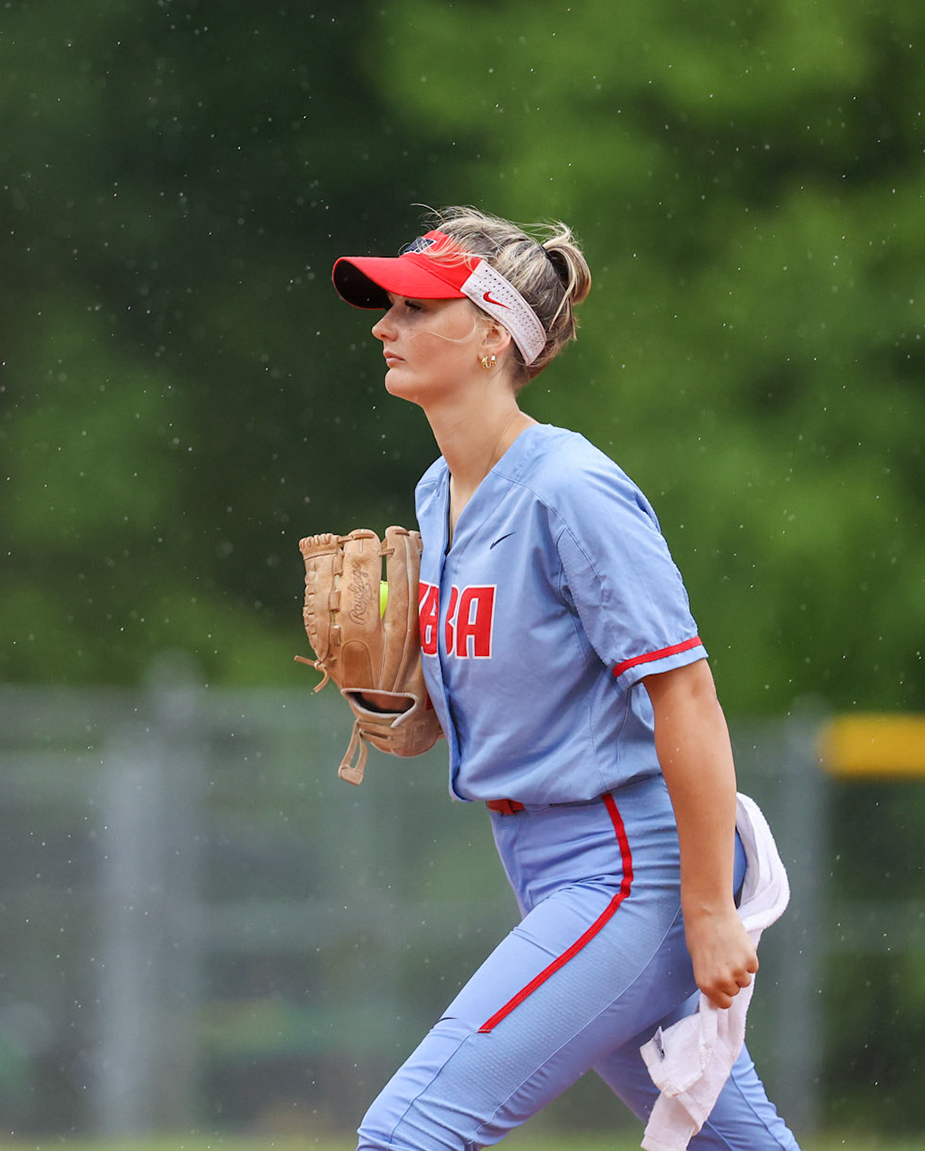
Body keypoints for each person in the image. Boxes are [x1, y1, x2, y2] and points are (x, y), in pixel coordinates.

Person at [328, 207, 801, 1151]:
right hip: (548, 869)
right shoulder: (438, 491)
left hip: (632, 870)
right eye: (388, 305)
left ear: (494, 333)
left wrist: (706, 908)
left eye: (418, 307)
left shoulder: (570, 489)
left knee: (405, 1135)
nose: (386, 324)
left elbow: (687, 696)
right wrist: (408, 700)